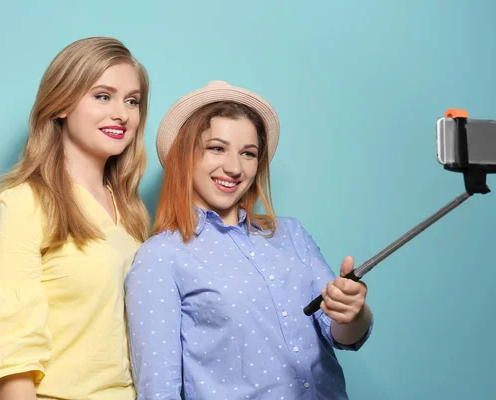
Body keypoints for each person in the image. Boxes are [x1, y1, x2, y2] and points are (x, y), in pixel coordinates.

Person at [125, 80, 374, 399]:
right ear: (185, 155)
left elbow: (341, 333)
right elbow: (159, 390)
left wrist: (354, 312)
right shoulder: (160, 257)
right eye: (216, 148)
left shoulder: (292, 234)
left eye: (249, 153)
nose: (234, 167)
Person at [0, 36, 151, 400]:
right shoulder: (20, 206)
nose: (122, 113)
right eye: (103, 96)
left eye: (133, 101)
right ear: (62, 103)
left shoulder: (133, 214)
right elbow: (11, 363)